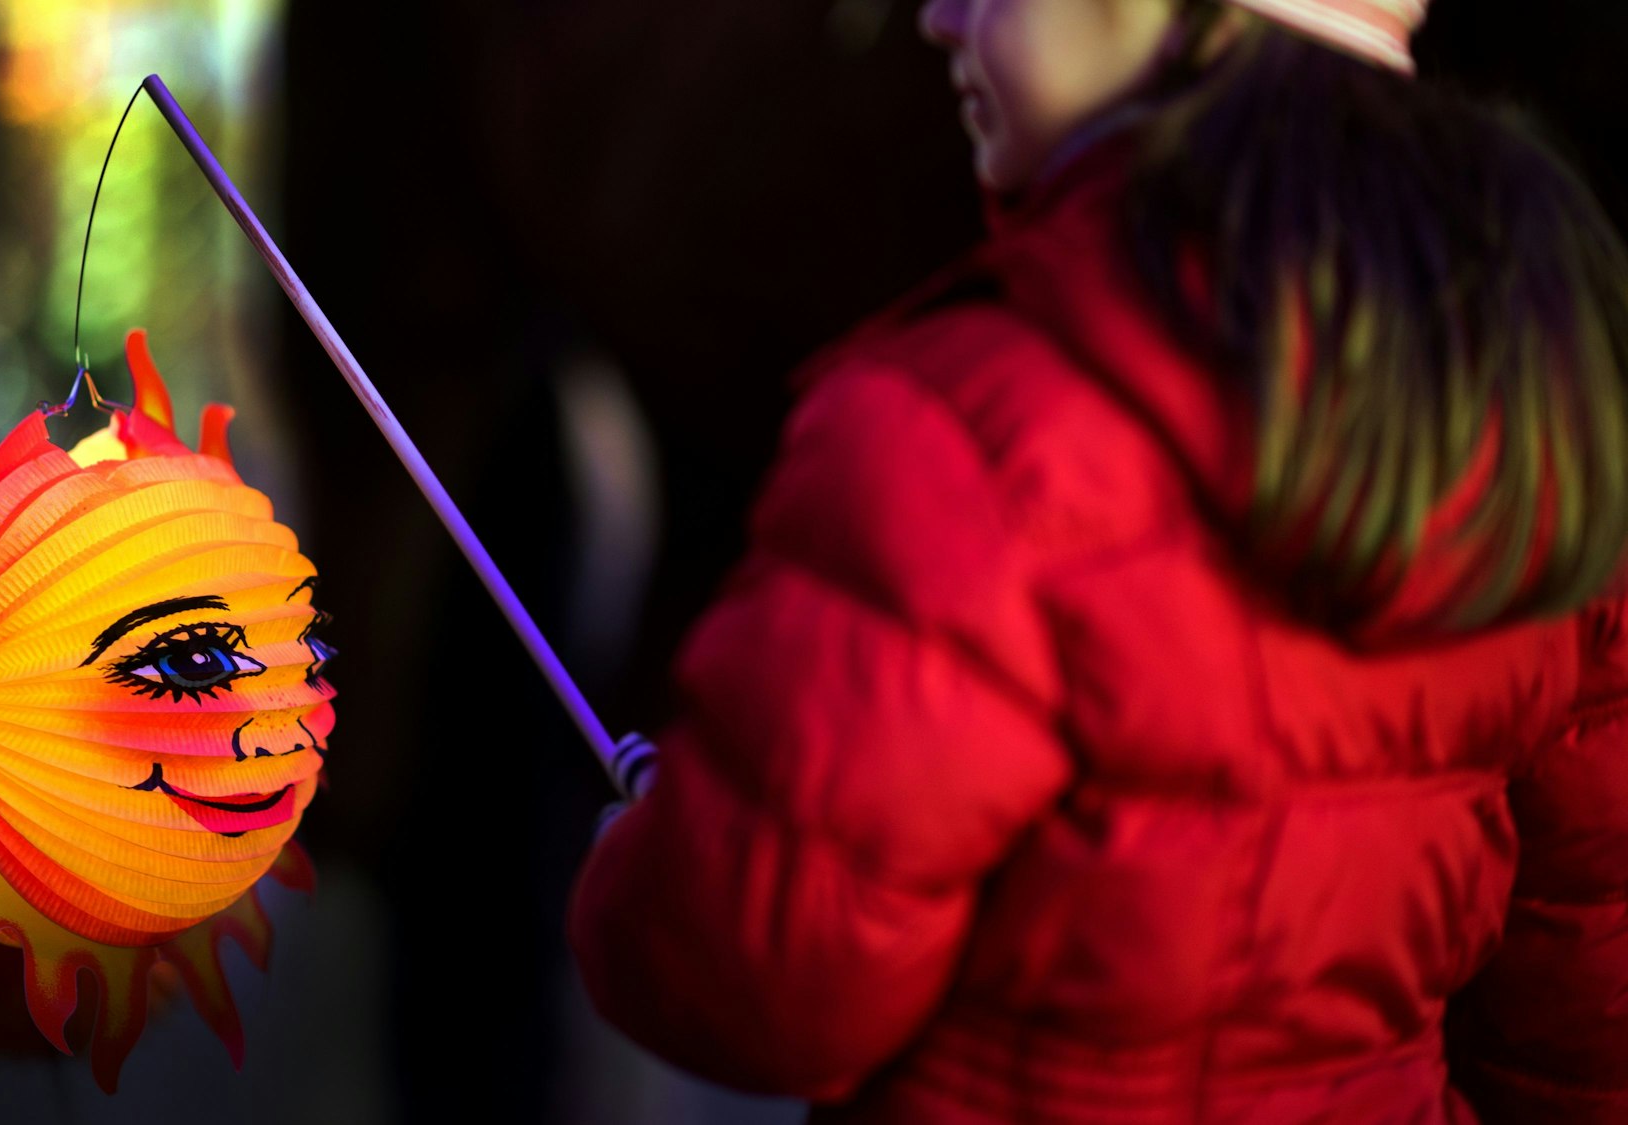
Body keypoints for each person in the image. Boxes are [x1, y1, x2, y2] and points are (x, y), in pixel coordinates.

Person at [567, 0, 1628, 1120]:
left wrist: (655, 860)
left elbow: (753, 985)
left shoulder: (960, 436)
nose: (935, 19)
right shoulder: (1536, 386)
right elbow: (1587, 987)